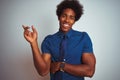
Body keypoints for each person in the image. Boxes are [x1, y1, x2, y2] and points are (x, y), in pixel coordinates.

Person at [23, 0, 96, 80]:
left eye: (71, 18)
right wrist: (33, 43)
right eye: (64, 16)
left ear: (74, 21)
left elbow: (90, 71)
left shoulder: (83, 38)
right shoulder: (49, 41)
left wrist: (61, 65)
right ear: (59, 17)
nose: (67, 20)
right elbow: (43, 71)